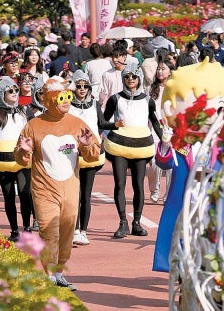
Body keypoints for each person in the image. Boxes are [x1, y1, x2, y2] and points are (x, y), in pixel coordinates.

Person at [152, 60, 224, 273]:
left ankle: (210, 275)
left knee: (216, 243)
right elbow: (164, 161)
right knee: (183, 242)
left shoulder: (222, 143)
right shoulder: (180, 143)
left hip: (213, 203)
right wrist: (165, 144)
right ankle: (184, 277)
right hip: (184, 202)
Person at [14, 77, 101, 291]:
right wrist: (24, 151)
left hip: (70, 188)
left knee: (67, 231)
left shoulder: (77, 123)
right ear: (50, 99)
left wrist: (87, 146)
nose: (67, 101)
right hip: (44, 189)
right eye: (61, 98)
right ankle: (50, 275)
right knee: (48, 231)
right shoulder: (33, 126)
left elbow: (93, 156)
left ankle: (59, 272)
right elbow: (21, 160)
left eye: (68, 97)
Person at [102, 64, 163, 238]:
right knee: (120, 184)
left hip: (141, 147)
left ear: (139, 79)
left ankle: (137, 222)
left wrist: (164, 140)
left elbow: (154, 122)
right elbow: (103, 121)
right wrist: (110, 127)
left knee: (138, 185)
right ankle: (123, 223)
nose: (130, 79)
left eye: (134, 76)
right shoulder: (115, 99)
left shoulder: (148, 100)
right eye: (127, 76)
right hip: (120, 146)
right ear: (123, 79)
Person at [0, 76, 35, 242]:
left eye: (16, 90)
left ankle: (27, 227)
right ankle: (14, 230)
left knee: (25, 192)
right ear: (2, 94)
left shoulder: (25, 110)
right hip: (3, 161)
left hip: (22, 159)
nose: (14, 93)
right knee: (8, 196)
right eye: (10, 91)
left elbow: (34, 129)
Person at [68, 71, 112, 246]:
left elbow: (101, 123)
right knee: (74, 195)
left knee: (85, 195)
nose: (82, 89)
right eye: (78, 86)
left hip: (90, 154)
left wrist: (115, 126)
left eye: (85, 86)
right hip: (71, 155)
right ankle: (74, 230)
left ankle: (83, 231)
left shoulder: (94, 104)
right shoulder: (67, 104)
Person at [146, 59, 174, 203]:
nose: (160, 71)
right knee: (154, 163)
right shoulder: (151, 88)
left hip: (170, 130)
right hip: (153, 130)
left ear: (170, 72)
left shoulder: (175, 88)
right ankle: (154, 190)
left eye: (163, 69)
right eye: (159, 69)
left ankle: (168, 194)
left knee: (170, 165)